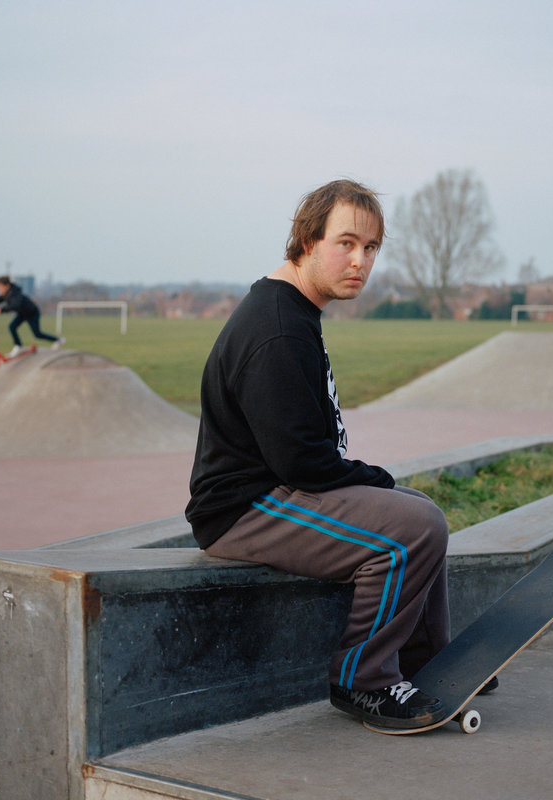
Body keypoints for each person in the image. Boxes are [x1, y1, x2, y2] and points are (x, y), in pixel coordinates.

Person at [185, 179, 452, 730]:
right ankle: (365, 679)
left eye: (372, 247)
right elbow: (303, 463)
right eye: (346, 243)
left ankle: (426, 661)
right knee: (415, 525)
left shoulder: (294, 309)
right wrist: (372, 477)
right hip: (245, 509)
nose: (361, 260)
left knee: (415, 508)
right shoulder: (278, 329)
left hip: (278, 491)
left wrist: (379, 484)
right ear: (307, 242)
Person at [0, 276, 64, 355]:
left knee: (37, 334)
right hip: (22, 314)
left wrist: (1, 310)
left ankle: (58, 340)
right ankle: (19, 346)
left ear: (7, 286)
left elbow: (16, 305)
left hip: (32, 313)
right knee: (12, 327)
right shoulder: (6, 294)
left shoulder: (15, 293)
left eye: (0, 287)